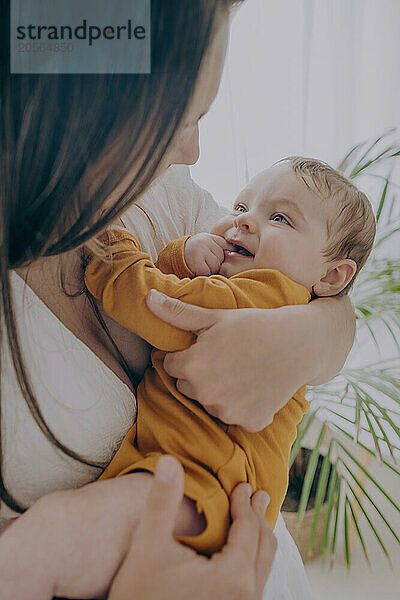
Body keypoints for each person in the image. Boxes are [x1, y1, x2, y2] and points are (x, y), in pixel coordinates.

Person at [0, 1, 355, 598]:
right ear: (88, 105)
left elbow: (168, 298)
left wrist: (315, 334)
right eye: (181, 120)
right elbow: (175, 294)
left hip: (213, 504)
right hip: (192, 506)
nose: (191, 153)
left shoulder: (159, 194)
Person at [84, 157, 375, 556]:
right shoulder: (256, 292)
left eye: (280, 219)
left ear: (330, 277)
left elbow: (160, 305)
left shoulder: (266, 293)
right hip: (211, 495)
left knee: (62, 531)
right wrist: (185, 256)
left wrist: (114, 254)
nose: (244, 221)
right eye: (240, 207)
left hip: (199, 487)